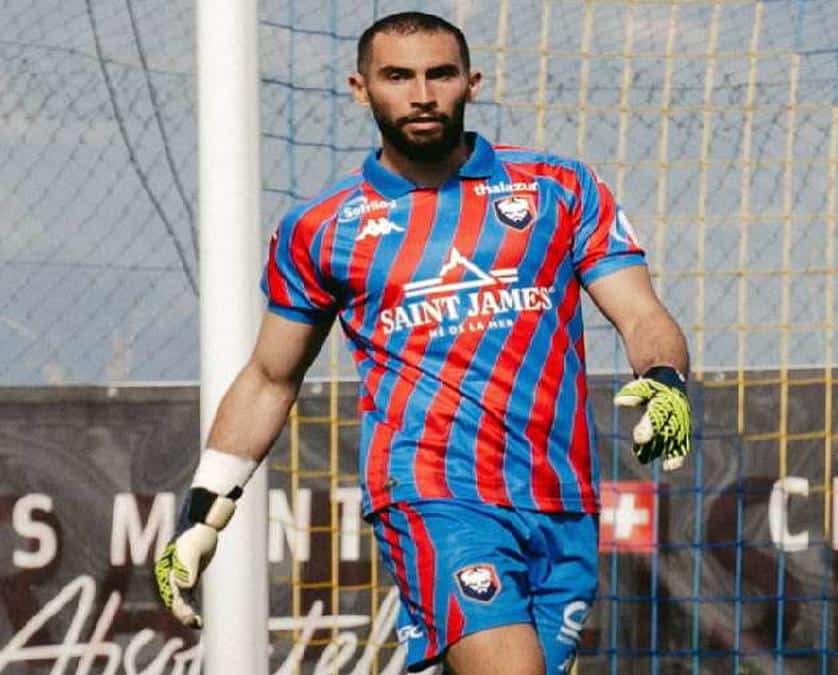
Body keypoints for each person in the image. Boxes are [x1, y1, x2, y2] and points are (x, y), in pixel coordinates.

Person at [155, 11, 692, 675]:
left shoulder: (559, 189)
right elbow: (271, 376)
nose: (422, 93)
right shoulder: (322, 229)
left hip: (562, 498)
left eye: (440, 74)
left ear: (471, 82)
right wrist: (204, 507)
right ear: (361, 88)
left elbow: (642, 313)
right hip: (431, 491)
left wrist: (666, 377)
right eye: (398, 76)